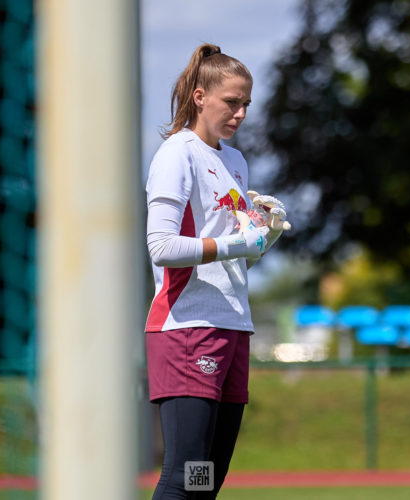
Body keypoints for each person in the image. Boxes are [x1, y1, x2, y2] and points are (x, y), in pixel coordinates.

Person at [144, 43, 286, 499]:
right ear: (201, 96)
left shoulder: (236, 162)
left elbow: (236, 252)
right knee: (184, 475)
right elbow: (162, 246)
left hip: (232, 326)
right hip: (187, 328)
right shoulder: (176, 154)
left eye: (246, 104)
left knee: (207, 479)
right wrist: (234, 244)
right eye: (232, 102)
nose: (241, 113)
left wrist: (265, 237)